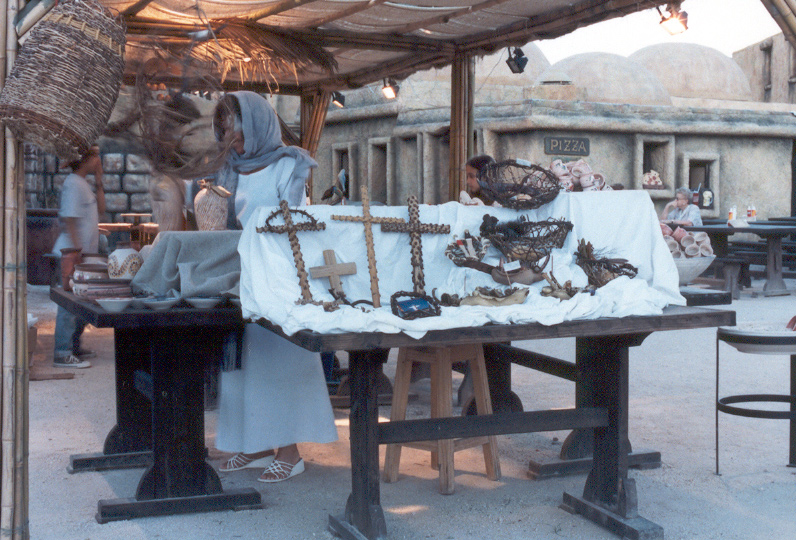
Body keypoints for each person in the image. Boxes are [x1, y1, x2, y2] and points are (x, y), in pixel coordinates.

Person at [211, 91, 338, 482]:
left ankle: (290, 451)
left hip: (278, 275)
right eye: (229, 137)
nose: (236, 144)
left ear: (258, 125)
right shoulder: (231, 168)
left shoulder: (288, 164)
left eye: (239, 135)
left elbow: (293, 221)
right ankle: (257, 444)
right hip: (243, 274)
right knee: (246, 363)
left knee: (278, 361)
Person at [52, 145, 105, 368]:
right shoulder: (73, 183)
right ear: (85, 160)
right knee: (69, 305)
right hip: (71, 254)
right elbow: (70, 220)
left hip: (82, 255)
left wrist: (99, 181)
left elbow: (102, 210)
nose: (99, 160)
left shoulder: (83, 184)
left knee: (81, 302)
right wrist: (76, 255)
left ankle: (73, 346)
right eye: (96, 156)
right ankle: (62, 352)